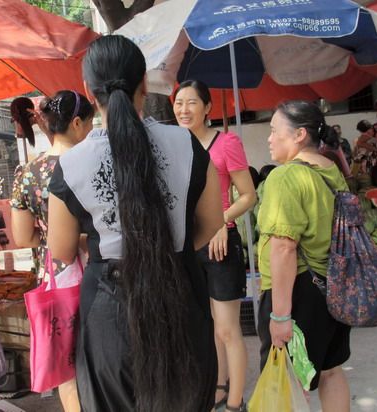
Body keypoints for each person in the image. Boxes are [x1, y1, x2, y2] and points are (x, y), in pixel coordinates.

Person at [47, 35, 224, 412]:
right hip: (182, 294)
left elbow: (60, 249)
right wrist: (160, 246)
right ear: (144, 82)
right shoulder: (189, 145)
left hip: (110, 313)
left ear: (88, 91)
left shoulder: (72, 164)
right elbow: (210, 224)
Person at [257, 101, 351, 412]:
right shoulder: (330, 169)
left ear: (298, 134)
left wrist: (280, 316)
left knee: (287, 379)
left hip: (298, 293)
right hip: (334, 286)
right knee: (332, 371)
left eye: (274, 131)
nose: (269, 138)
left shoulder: (284, 178)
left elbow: (283, 247)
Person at [173, 80, 256, 412]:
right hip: (187, 246)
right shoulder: (174, 146)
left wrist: (221, 222)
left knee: (226, 329)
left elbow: (248, 194)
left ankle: (236, 402)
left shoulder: (226, 143)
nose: (184, 109)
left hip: (220, 245)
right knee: (205, 326)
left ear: (207, 108)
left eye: (192, 102)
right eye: (179, 103)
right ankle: (219, 387)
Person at [11, 90, 94, 412]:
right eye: (88, 124)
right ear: (76, 123)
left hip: (55, 278)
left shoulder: (28, 173)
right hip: (101, 269)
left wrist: (50, 237)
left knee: (67, 368)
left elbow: (22, 236)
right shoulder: (93, 163)